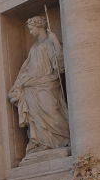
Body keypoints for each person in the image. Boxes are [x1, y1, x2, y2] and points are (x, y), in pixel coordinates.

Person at [9, 15, 70, 156]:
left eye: (31, 28)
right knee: (35, 117)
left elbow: (60, 64)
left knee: (52, 111)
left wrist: (55, 42)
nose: (30, 32)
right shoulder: (33, 47)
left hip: (48, 82)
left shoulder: (50, 41)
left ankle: (61, 139)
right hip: (32, 85)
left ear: (39, 27)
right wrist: (19, 84)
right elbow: (26, 68)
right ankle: (42, 143)